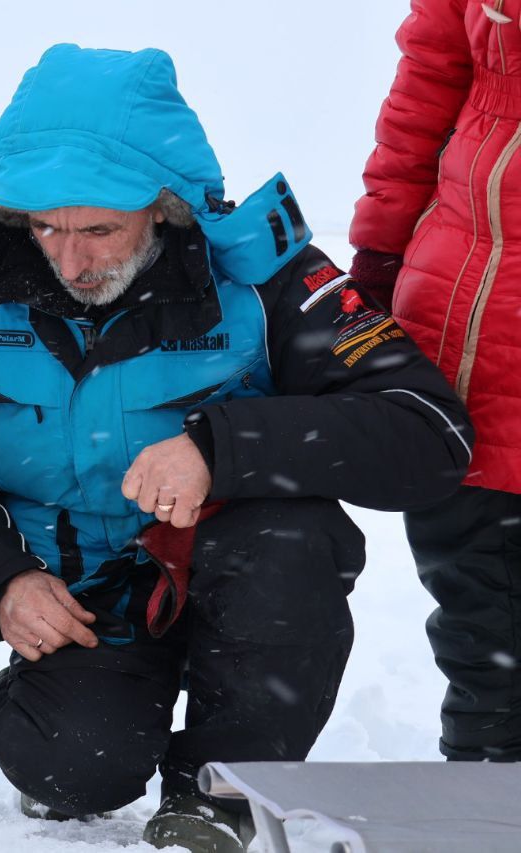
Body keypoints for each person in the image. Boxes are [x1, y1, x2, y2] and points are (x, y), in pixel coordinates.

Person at [0, 45, 474, 852]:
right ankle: (81, 709)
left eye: (98, 229)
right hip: (88, 596)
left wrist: (220, 446)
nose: (69, 258)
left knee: (289, 541)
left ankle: (224, 784)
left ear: (164, 207)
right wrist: (2, 581)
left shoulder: (272, 278)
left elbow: (427, 432)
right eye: (45, 226)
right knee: (70, 766)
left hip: (241, 574)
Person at [350, 0, 521, 763]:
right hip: (468, 312)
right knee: (478, 593)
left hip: (473, 298)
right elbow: (425, 87)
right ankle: (486, 781)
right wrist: (380, 249)